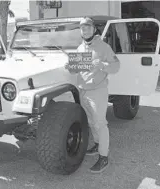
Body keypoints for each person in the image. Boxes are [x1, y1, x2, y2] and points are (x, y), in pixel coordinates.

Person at [65, 17, 120, 173]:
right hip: (83, 90)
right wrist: (70, 67)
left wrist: (102, 65)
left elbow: (116, 66)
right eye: (82, 27)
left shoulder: (104, 47)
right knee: (90, 121)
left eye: (88, 27)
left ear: (94, 29)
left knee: (100, 123)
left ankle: (104, 157)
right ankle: (97, 144)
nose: (85, 29)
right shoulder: (80, 49)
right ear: (80, 31)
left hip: (98, 91)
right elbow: (76, 70)